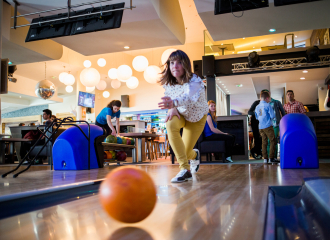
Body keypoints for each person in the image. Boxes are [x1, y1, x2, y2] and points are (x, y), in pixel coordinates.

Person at [158, 50, 208, 183]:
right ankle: (184, 169)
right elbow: (172, 98)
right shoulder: (169, 83)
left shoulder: (195, 81)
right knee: (169, 124)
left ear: (186, 65)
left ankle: (194, 154)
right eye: (172, 63)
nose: (175, 66)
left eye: (179, 62)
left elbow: (188, 97)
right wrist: (172, 108)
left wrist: (173, 103)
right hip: (181, 114)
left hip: (197, 118)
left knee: (185, 153)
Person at [255, 91, 279, 164]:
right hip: (268, 126)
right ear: (267, 98)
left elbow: (257, 117)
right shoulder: (268, 105)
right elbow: (272, 116)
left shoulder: (257, 106)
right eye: (269, 99)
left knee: (264, 142)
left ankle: (265, 159)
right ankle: (271, 158)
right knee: (272, 141)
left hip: (260, 127)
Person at [267, 91, 286, 159]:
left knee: (273, 140)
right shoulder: (263, 103)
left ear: (269, 93)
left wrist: (283, 123)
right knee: (268, 141)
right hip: (267, 125)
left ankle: (274, 157)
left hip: (275, 124)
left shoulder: (277, 102)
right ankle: (269, 157)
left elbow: (283, 113)